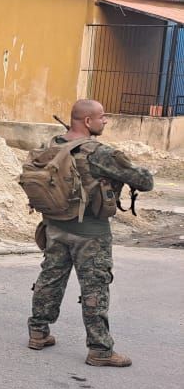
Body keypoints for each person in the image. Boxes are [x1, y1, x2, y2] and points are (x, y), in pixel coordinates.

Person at [27, 99, 154, 367]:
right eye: (102, 117)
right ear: (87, 121)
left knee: (50, 279)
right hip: (90, 234)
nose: (105, 121)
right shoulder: (100, 153)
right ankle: (100, 349)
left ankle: (38, 332)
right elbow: (145, 181)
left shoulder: (53, 145)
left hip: (55, 227)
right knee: (95, 288)